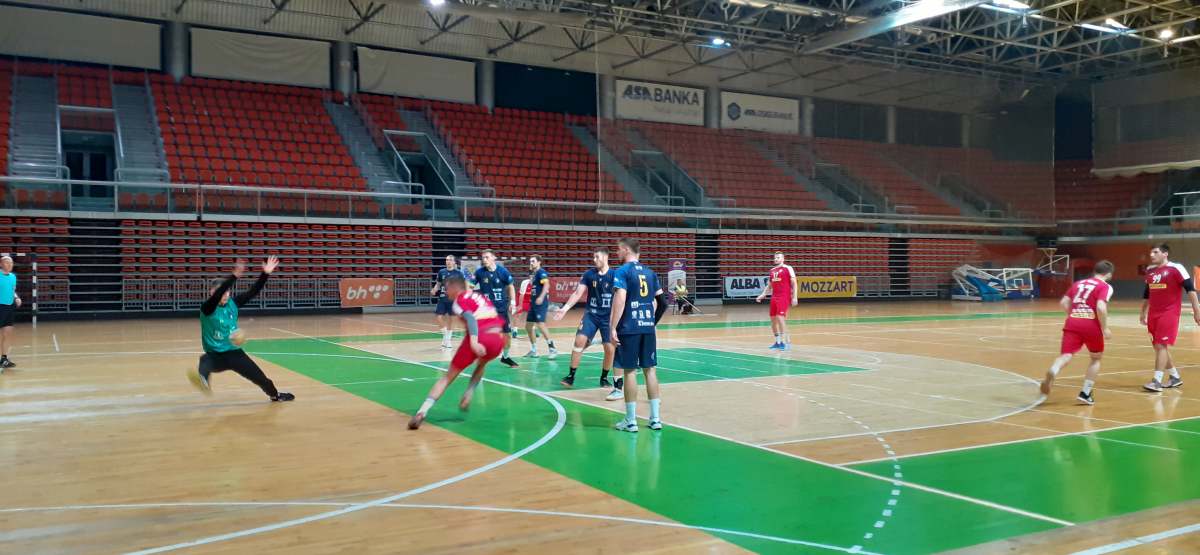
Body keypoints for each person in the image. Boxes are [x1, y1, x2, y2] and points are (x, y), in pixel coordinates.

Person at [188, 256, 294, 402]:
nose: (225, 294)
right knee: (205, 361)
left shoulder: (233, 303)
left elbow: (253, 292)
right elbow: (219, 293)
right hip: (215, 355)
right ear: (212, 293)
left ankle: (275, 395)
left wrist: (265, 274)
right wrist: (234, 276)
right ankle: (203, 380)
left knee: (261, 378)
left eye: (227, 292)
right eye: (222, 292)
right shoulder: (208, 308)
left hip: (235, 354)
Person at [408, 275, 507, 430]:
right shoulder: (479, 296)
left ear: (455, 287)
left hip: (479, 335)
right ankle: (469, 392)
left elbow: (471, 318)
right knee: (481, 364)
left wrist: (474, 341)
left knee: (447, 377)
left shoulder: (458, 302)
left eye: (446, 288)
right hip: (498, 340)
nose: (445, 291)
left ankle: (422, 412)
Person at [609, 238, 668, 432]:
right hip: (647, 328)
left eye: (618, 249)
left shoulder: (622, 271)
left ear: (626, 249)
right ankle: (655, 419)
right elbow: (663, 303)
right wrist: (652, 322)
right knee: (650, 370)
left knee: (629, 372)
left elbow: (620, 298)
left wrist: (613, 327)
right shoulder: (650, 273)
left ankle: (631, 420)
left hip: (629, 328)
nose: (616, 253)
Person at [1039, 260, 1114, 405]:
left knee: (1066, 355)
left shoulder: (1078, 284)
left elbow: (1064, 303)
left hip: (1073, 322)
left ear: (1095, 271)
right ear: (1109, 274)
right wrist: (1105, 328)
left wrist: (1074, 315)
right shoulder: (1105, 286)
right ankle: (1085, 393)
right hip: (1091, 325)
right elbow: (1101, 307)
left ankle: (1054, 369)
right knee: (1096, 358)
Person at [555, 247, 622, 401]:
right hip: (591, 314)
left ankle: (604, 377)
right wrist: (564, 308)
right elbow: (577, 293)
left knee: (609, 348)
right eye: (593, 257)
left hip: (608, 317)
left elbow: (621, 296)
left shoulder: (615, 275)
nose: (594, 260)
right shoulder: (589, 274)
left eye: (597, 257)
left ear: (606, 257)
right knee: (579, 341)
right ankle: (571, 376)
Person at [1140, 244, 1200, 392]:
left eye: (1155, 252)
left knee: (1161, 345)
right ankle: (1175, 377)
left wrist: (1197, 311)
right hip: (1153, 314)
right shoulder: (1150, 270)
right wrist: (1143, 312)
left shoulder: (1176, 268)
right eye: (1151, 253)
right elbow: (1147, 293)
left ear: (1165, 253)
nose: (1152, 255)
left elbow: (1191, 290)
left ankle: (1157, 381)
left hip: (1169, 313)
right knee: (1158, 347)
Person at [473, 250, 520, 368]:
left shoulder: (503, 272)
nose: (484, 260)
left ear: (493, 258)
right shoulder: (479, 272)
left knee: (507, 337)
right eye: (483, 258)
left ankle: (505, 357)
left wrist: (513, 302)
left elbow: (511, 286)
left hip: (501, 309)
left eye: (487, 257)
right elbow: (469, 285)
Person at [756, 252, 797, 350]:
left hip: (784, 296)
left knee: (780, 317)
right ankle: (777, 342)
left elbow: (794, 283)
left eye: (778, 257)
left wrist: (795, 297)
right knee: (773, 320)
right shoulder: (772, 270)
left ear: (783, 259)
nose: (776, 259)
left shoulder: (788, 268)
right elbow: (769, 285)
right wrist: (763, 294)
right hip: (774, 297)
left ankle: (785, 342)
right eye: (775, 258)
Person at [524, 255, 557, 359]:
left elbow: (547, 285)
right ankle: (534, 350)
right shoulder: (534, 274)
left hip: (540, 303)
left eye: (533, 261)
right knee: (528, 326)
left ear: (539, 262)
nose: (531, 263)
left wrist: (541, 297)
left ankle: (552, 348)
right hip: (533, 303)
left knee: (540, 324)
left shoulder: (541, 272)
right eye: (530, 261)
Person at [431, 255, 465, 349]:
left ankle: (448, 340)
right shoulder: (442, 272)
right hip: (443, 298)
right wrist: (434, 289)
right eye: (447, 260)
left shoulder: (459, 273)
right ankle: (445, 335)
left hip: (453, 299)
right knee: (438, 317)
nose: (448, 261)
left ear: (454, 262)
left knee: (452, 319)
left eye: (450, 260)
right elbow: (438, 284)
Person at [0, 256, 21, 371]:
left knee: (7, 333)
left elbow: (13, 290)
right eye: (7, 262)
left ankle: (4, 359)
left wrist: (16, 297)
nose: (9, 265)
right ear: (1, 264)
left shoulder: (13, 277)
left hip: (9, 307)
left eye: (11, 263)